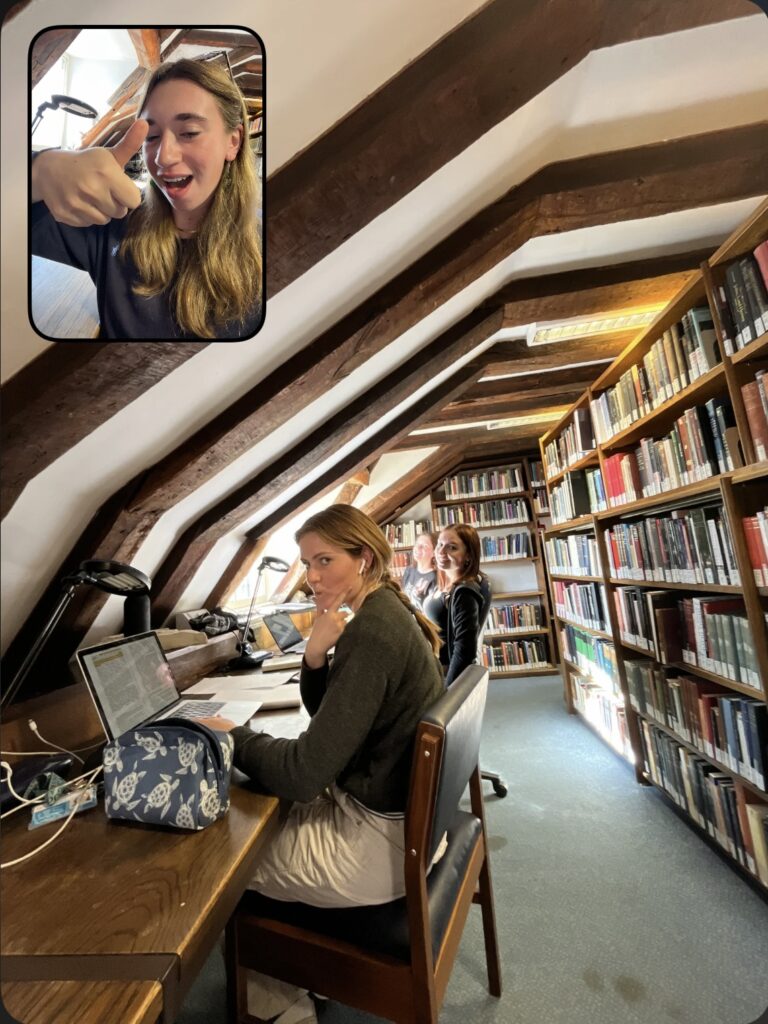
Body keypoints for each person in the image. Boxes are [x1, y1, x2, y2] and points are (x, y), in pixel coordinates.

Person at [201, 504, 444, 1024]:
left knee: (225, 870)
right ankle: (299, 977)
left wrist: (233, 735)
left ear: (363, 558)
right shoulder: (380, 614)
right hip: (406, 824)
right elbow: (338, 719)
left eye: (323, 561)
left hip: (382, 846)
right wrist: (315, 658)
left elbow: (305, 774)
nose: (311, 578)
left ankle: (281, 1010)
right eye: (306, 563)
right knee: (262, 820)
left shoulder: (373, 633)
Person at [30, 58, 262, 340]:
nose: (163, 157)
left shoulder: (270, 248)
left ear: (233, 141)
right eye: (151, 137)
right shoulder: (113, 220)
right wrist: (37, 170)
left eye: (189, 133)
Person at [423, 524, 491, 686]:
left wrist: (450, 690)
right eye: (440, 544)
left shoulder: (464, 593)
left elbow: (464, 649)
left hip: (442, 673)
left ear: (468, 555)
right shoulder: (447, 581)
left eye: (452, 548)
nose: (440, 551)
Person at [400, 530, 437, 610]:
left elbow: (432, 611)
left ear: (434, 553)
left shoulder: (435, 578)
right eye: (417, 544)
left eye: (424, 546)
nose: (418, 548)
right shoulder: (409, 570)